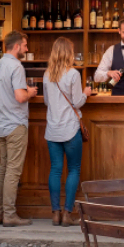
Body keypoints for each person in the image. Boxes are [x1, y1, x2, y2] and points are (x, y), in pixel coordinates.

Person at [0, 31, 38, 227]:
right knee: (13, 171)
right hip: (15, 124)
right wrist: (30, 92)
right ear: (16, 47)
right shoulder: (16, 66)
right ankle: (9, 215)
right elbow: (19, 96)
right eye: (25, 45)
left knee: (3, 169)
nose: (26, 49)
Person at [42, 37, 88, 225]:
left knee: (55, 170)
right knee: (74, 169)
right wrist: (87, 93)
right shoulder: (73, 74)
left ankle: (55, 214)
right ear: (69, 53)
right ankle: (67, 214)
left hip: (52, 129)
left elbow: (46, 101)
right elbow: (77, 102)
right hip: (70, 128)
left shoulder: (47, 75)